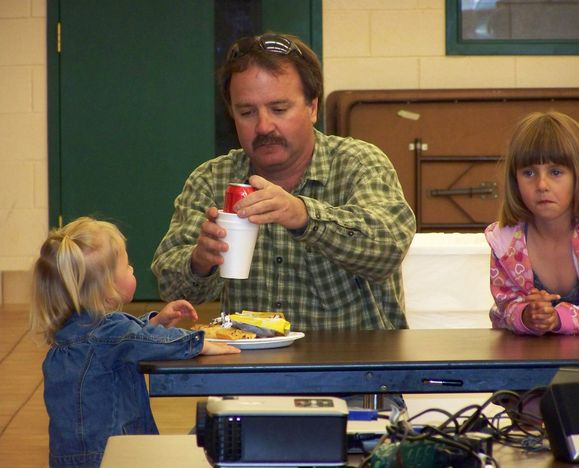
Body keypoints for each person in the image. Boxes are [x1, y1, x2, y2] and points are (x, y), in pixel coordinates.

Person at [151, 32, 416, 331]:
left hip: (355, 366)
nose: (264, 126)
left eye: (279, 109)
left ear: (312, 108)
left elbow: (388, 249)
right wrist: (201, 261)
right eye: (247, 112)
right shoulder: (212, 179)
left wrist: (304, 216)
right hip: (253, 365)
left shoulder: (358, 163)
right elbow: (174, 291)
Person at [30, 217, 239, 467]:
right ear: (107, 289)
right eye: (127, 266)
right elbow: (135, 339)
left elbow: (125, 340)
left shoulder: (71, 334)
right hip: (113, 455)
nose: (132, 269)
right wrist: (200, 342)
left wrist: (155, 323)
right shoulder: (110, 332)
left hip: (70, 457)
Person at [485, 111, 579, 335]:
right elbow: (505, 306)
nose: (541, 184)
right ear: (515, 180)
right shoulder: (504, 241)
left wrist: (559, 318)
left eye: (556, 172)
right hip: (524, 362)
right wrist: (526, 314)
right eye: (529, 172)